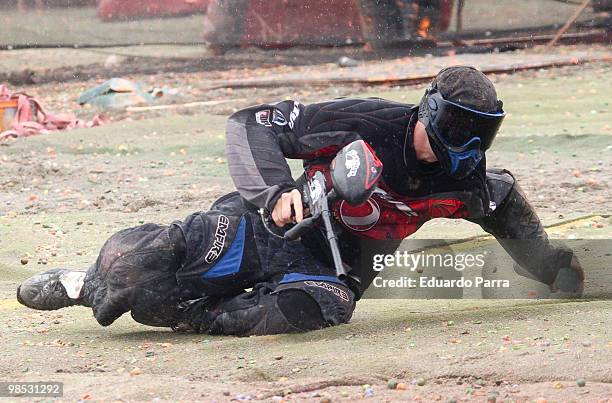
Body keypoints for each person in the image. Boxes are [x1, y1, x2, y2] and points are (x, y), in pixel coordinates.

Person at [17, 66, 584, 336]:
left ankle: (195, 318)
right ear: (431, 112)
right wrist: (275, 191)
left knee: (323, 308)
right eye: (460, 129)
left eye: (480, 135)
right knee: (129, 273)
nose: (469, 148)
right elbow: (251, 124)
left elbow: (515, 223)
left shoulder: (477, 185)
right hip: (265, 227)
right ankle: (79, 282)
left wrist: (556, 268)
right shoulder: (364, 121)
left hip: (327, 272)